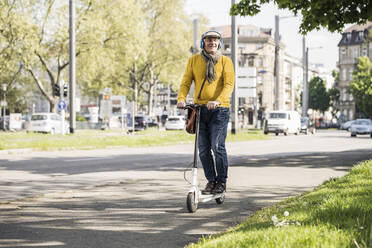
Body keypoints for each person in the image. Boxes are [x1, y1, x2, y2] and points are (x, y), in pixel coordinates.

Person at [177, 30, 235, 194]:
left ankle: (221, 182)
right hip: (200, 110)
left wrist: (217, 100)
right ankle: (211, 181)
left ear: (219, 43)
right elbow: (186, 82)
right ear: (203, 43)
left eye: (215, 40)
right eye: (209, 40)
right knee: (203, 149)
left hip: (220, 109)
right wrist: (181, 98)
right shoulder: (194, 61)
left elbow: (229, 85)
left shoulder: (225, 61)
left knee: (217, 146)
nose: (212, 43)